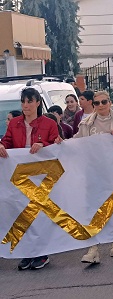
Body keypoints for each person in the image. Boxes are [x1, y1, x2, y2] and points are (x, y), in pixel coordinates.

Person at [0, 88, 60, 270]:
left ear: (38, 103)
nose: (26, 105)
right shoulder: (14, 123)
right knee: (21, 211)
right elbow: (7, 141)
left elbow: (56, 145)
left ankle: (41, 253)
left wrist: (44, 145)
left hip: (42, 174)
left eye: (30, 101)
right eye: (23, 102)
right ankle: (27, 252)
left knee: (39, 213)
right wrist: (1, 145)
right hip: (19, 174)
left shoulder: (49, 123)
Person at [74, 91, 113, 264]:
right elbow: (76, 143)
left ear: (110, 102)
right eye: (97, 103)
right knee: (93, 210)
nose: (100, 106)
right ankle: (93, 248)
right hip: (93, 173)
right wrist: (62, 144)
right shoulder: (85, 124)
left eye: (104, 102)